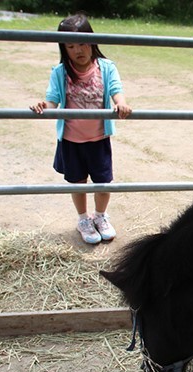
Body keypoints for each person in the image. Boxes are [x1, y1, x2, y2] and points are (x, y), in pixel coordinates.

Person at [31, 12, 131, 244]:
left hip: (98, 139)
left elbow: (116, 89)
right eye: (71, 46)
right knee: (77, 182)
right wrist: (43, 105)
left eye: (83, 43)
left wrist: (121, 103)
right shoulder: (60, 73)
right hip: (72, 141)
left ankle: (101, 216)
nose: (78, 50)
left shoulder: (105, 67)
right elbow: (53, 99)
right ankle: (83, 219)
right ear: (64, 49)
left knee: (103, 183)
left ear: (92, 42)